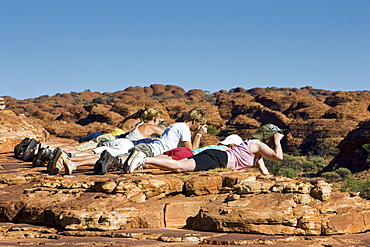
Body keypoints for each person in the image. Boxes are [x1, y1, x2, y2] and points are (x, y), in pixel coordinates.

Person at [47, 107, 208, 175]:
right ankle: (72, 162)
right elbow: (191, 151)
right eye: (199, 125)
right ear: (195, 121)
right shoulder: (184, 128)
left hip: (148, 147)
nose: (198, 128)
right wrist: (199, 135)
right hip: (151, 151)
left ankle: (71, 161)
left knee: (109, 157)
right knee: (114, 159)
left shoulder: (175, 126)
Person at [33, 107, 164, 174]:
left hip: (116, 140)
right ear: (154, 119)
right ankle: (71, 163)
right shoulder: (152, 127)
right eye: (158, 120)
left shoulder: (137, 125)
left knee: (90, 152)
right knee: (101, 159)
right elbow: (168, 137)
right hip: (126, 146)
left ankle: (60, 156)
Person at [122, 123, 284, 175]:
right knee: (179, 167)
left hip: (217, 156)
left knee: (178, 163)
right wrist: (278, 142)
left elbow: (264, 172)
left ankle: (140, 162)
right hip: (219, 159)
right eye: (274, 136)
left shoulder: (256, 151)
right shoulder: (258, 144)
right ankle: (143, 159)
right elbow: (279, 157)